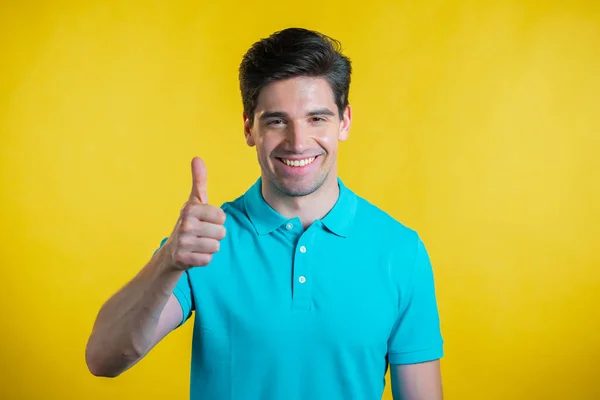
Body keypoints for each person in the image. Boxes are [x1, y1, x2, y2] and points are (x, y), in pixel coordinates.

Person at [85, 27, 444, 400]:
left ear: (345, 121)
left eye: (316, 118)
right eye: (276, 121)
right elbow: (103, 359)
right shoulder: (205, 241)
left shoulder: (400, 250)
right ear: (248, 128)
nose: (298, 141)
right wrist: (167, 261)